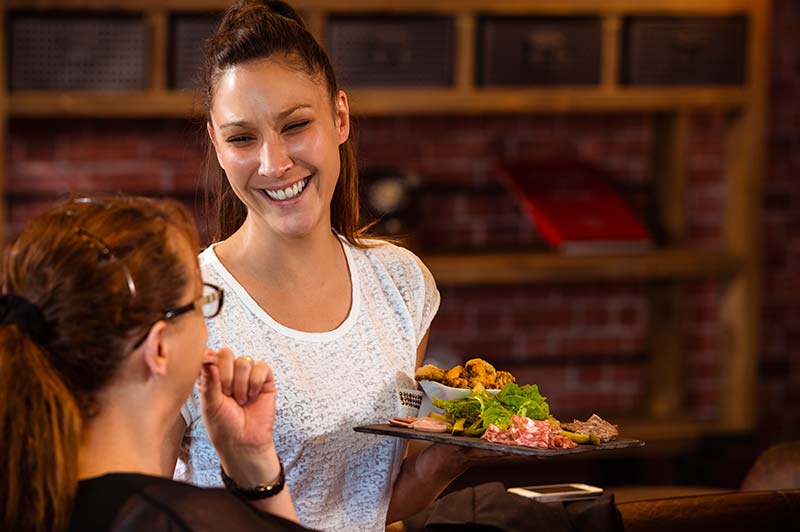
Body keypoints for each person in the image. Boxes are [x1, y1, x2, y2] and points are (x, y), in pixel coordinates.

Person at [172, 1, 503, 530]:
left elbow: (366, 505)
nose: (273, 163)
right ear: (215, 141)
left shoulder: (402, 282)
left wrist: (446, 459)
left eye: (296, 125)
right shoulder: (183, 303)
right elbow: (140, 505)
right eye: (241, 137)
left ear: (340, 118)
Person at [0, 196, 310, 532]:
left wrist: (249, 462)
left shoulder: (22, 495)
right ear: (159, 348)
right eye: (200, 300)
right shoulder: (189, 522)